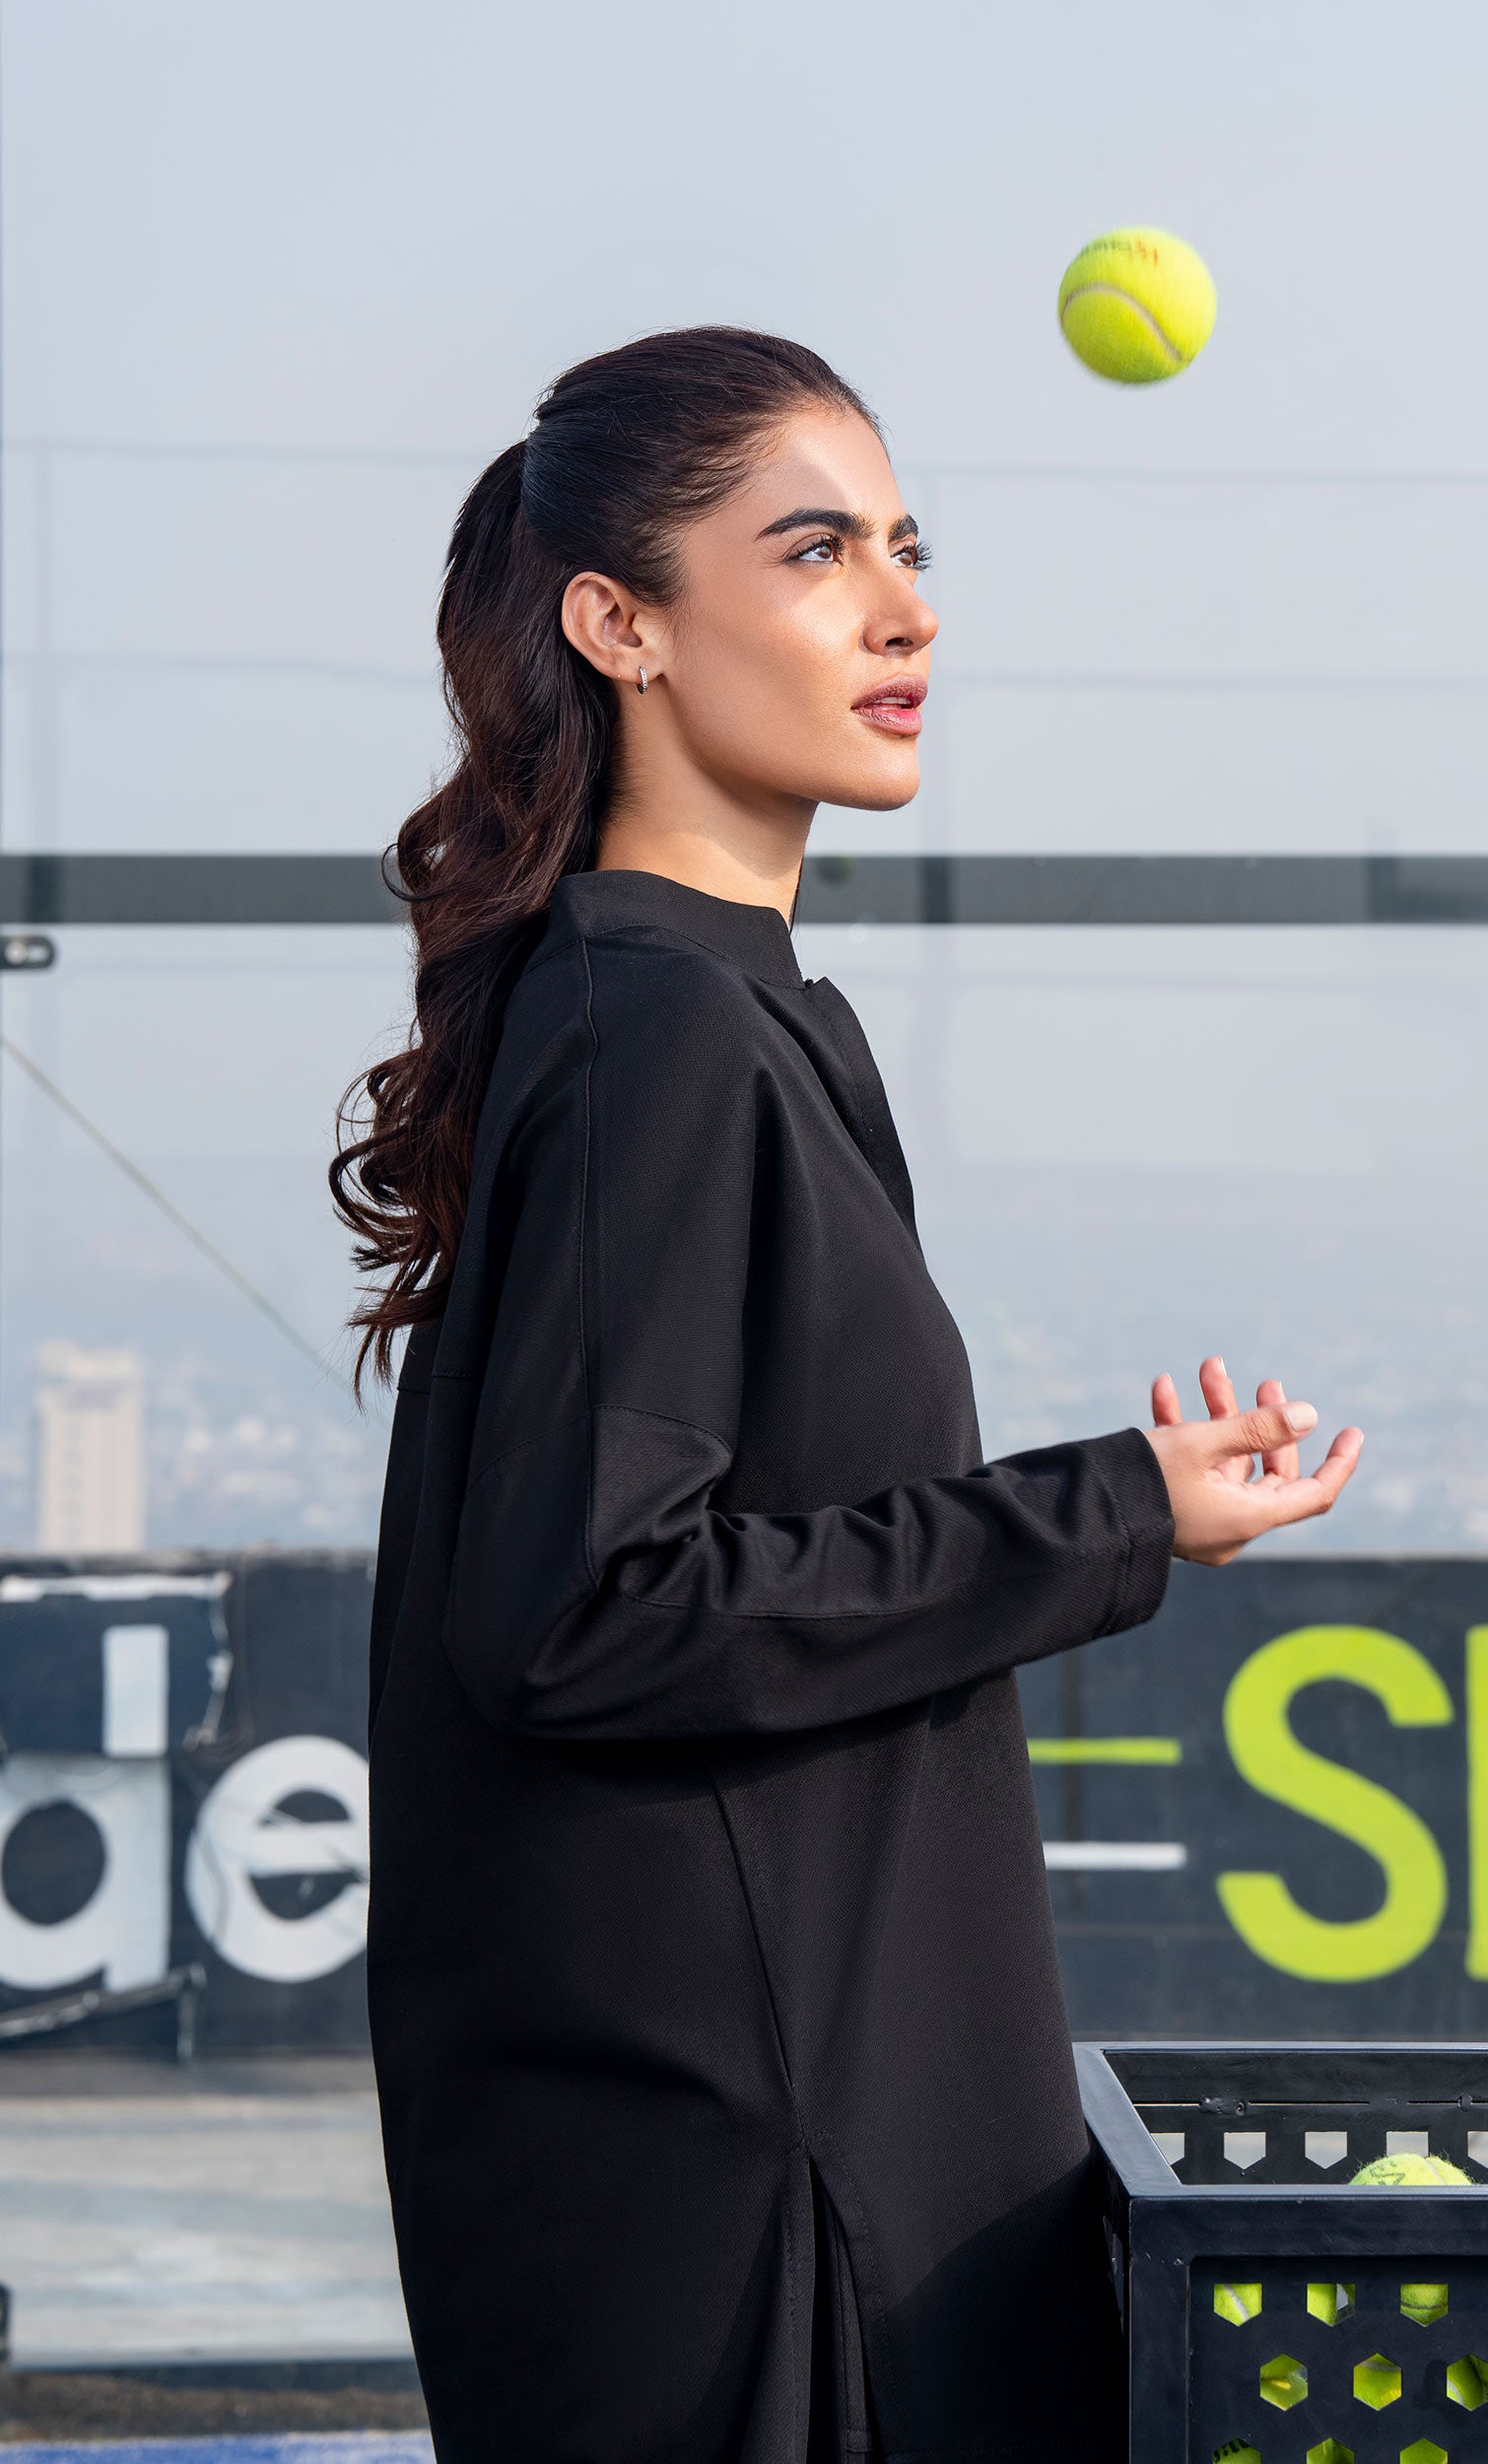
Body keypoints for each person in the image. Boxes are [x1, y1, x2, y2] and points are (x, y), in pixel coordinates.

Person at [334, 327, 1363, 2464]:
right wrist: (1109, 1512)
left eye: (907, 549)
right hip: (751, 2208)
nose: (904, 612)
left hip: (791, 2148)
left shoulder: (722, 1013)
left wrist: (1118, 1506)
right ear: (618, 624)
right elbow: (582, 1608)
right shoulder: (659, 1035)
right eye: (814, 553)